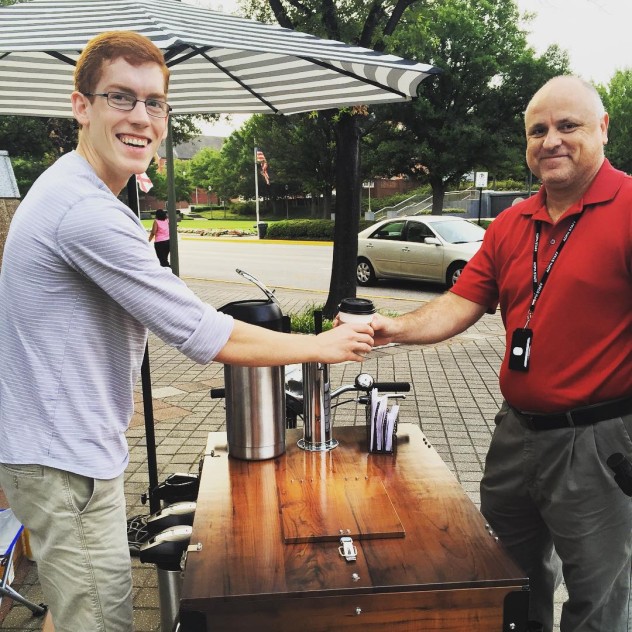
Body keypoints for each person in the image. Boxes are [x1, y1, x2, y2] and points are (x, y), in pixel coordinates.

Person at [0, 31, 373, 632]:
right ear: (81, 106)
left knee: (76, 605)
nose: (141, 118)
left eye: (155, 103)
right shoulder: (86, 211)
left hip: (54, 448)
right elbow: (202, 333)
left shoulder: (75, 187)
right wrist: (322, 346)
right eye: (121, 98)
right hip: (63, 459)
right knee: (99, 617)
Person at [368, 76, 632, 632]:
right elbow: (461, 301)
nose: (551, 141)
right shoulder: (513, 223)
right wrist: (391, 328)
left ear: (603, 129)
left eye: (568, 126)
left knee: (597, 595)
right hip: (515, 434)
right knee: (506, 577)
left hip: (600, 441)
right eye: (538, 131)